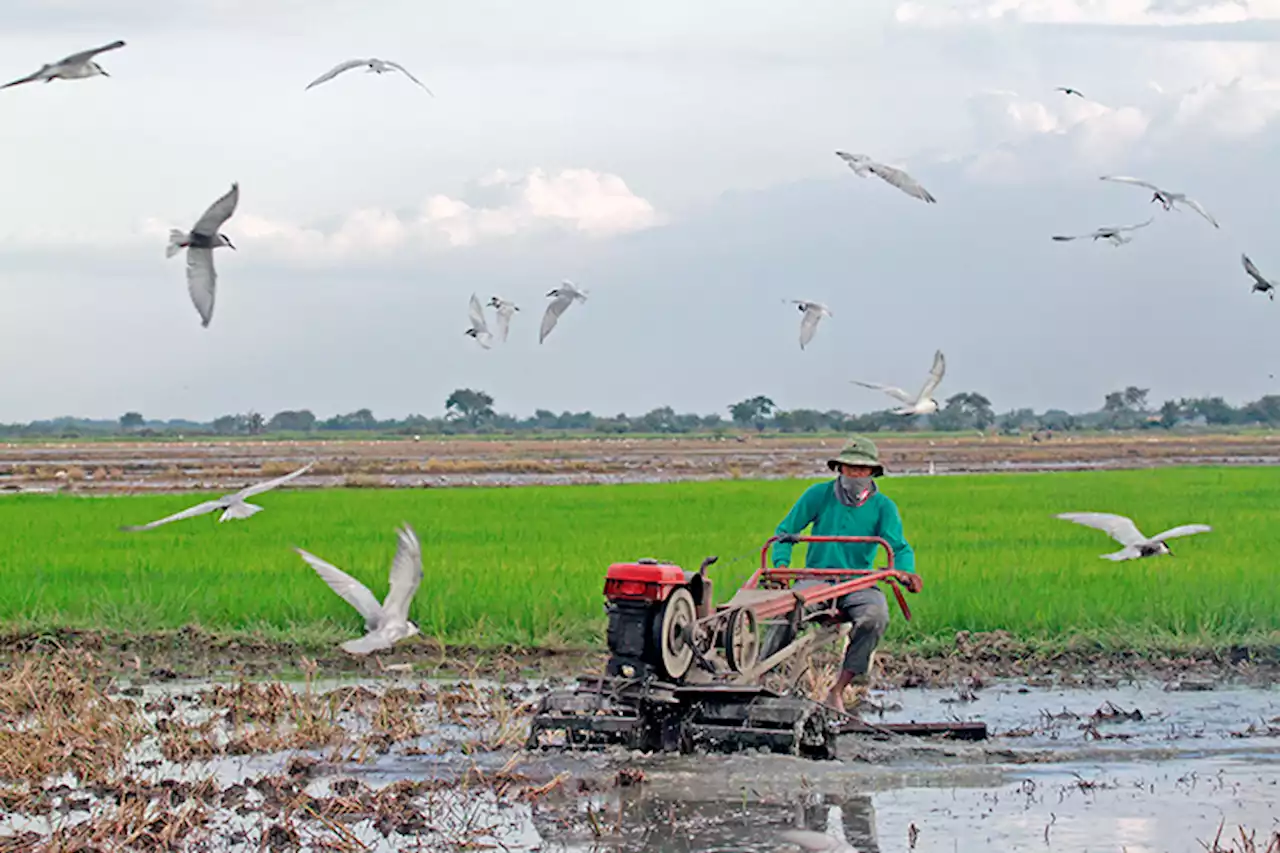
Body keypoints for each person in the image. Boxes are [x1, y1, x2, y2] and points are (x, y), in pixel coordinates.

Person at [769, 435, 921, 713]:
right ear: (839, 469)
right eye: (850, 468)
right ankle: (762, 676)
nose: (856, 475)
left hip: (858, 581)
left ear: (873, 472)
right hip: (817, 578)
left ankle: (838, 689)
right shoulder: (819, 494)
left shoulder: (883, 507)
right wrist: (780, 565)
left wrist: (905, 572)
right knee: (787, 611)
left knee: (875, 617)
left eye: (862, 470)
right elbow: (785, 532)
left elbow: (899, 547)